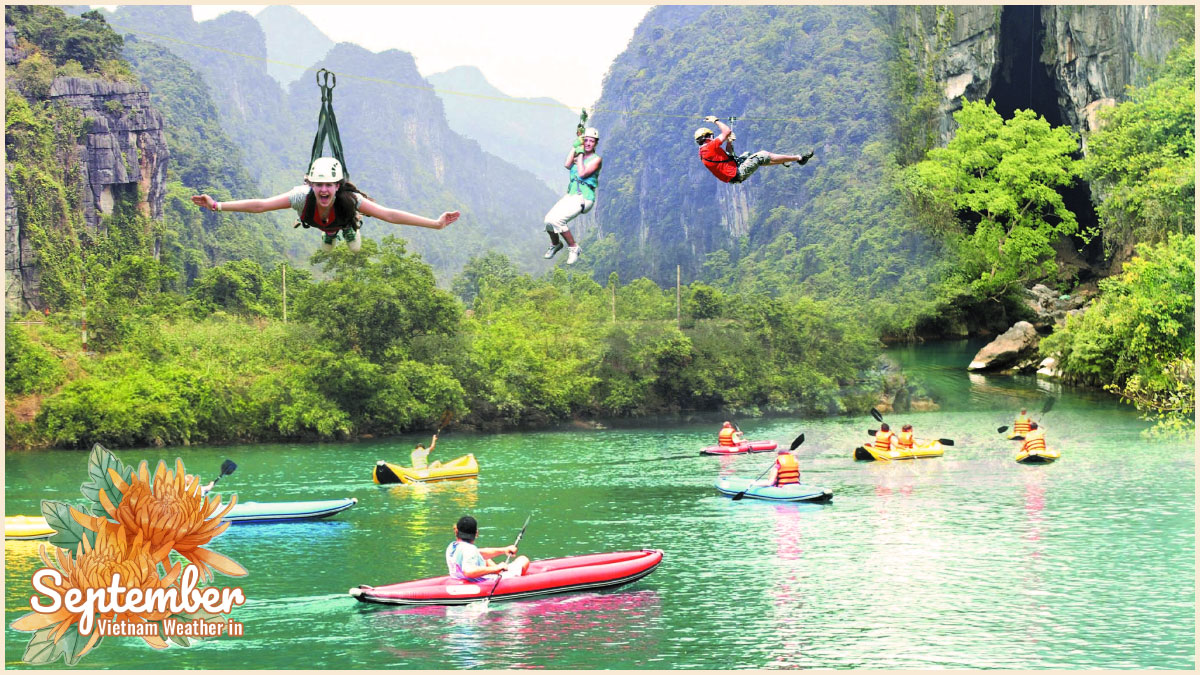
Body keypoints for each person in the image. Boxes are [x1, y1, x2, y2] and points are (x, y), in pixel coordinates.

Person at [191, 157, 460, 252]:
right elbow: (261, 205)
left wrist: (435, 224)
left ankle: (346, 229)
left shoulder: (350, 199)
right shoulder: (301, 196)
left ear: (337, 185)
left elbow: (389, 214)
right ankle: (330, 233)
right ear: (311, 184)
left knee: (352, 244)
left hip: (343, 218)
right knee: (327, 234)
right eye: (318, 184)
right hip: (320, 223)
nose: (323, 189)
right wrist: (216, 205)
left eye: (328, 184)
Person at [695, 116, 813, 184]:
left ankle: (782, 160)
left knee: (749, 155)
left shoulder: (704, 152)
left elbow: (728, 155)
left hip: (732, 171)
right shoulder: (709, 147)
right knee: (761, 155)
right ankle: (799, 158)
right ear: (707, 137)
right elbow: (726, 131)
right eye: (712, 136)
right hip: (737, 173)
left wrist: (729, 142)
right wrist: (716, 121)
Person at [543, 127, 601, 265]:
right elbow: (567, 164)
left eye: (591, 141)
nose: (588, 143)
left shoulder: (596, 160)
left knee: (558, 221)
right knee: (548, 221)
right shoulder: (578, 156)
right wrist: (575, 145)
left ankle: (574, 248)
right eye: (585, 140)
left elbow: (582, 173)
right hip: (571, 194)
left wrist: (580, 152)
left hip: (584, 197)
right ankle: (556, 244)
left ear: (595, 143)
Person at [445, 516, 530, 582]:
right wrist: (496, 568)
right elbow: (469, 571)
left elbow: (480, 553)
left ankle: (501, 571)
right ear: (476, 533)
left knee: (486, 560)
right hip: (482, 582)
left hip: (459, 579)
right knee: (523, 560)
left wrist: (504, 550)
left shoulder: (452, 546)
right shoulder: (470, 549)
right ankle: (503, 574)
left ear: (456, 531)